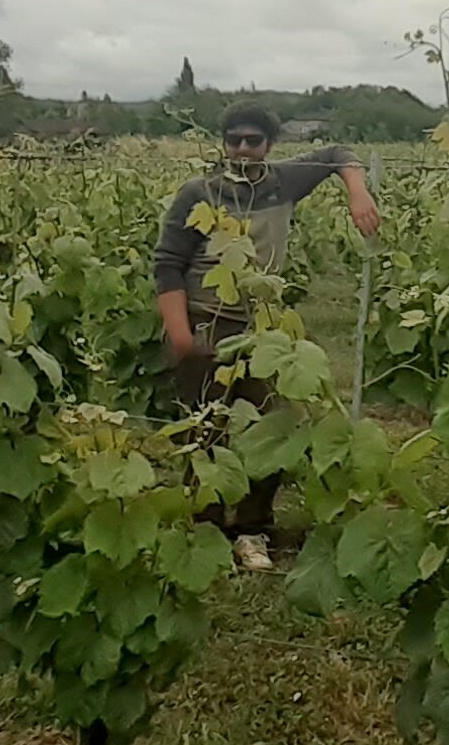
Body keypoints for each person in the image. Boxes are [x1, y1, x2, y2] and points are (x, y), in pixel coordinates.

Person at [152, 101, 380, 569]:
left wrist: (358, 193)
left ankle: (252, 530)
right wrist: (179, 334)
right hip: (206, 322)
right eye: (233, 139)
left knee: (269, 430)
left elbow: (339, 154)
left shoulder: (282, 183)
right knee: (205, 433)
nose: (241, 148)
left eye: (252, 141)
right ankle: (207, 531)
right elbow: (168, 264)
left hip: (262, 330)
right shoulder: (199, 192)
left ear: (269, 146)